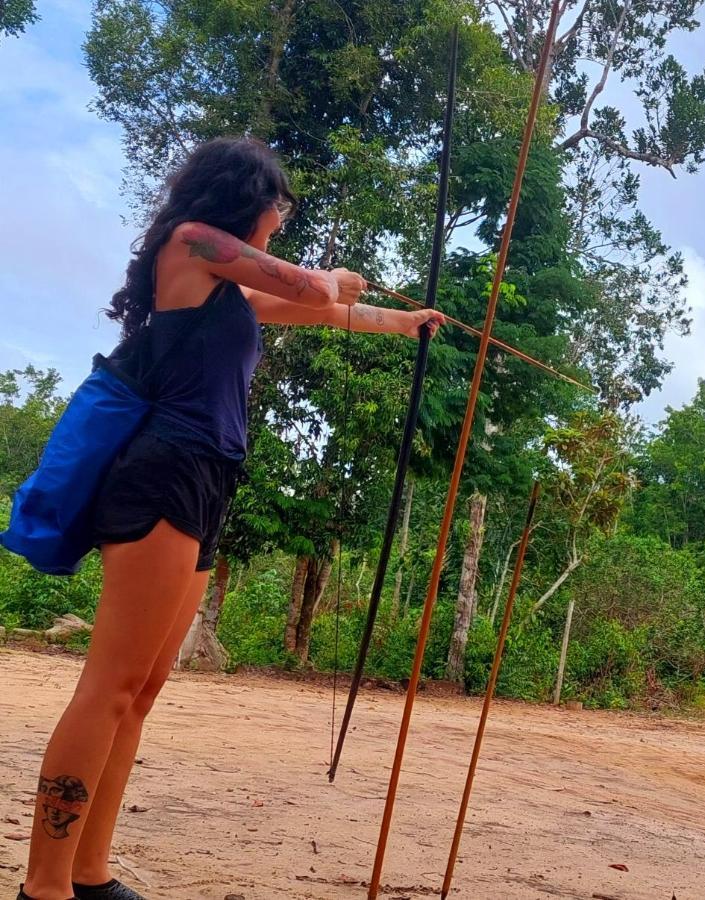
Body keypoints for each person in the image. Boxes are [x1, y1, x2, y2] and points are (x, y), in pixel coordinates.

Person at [19, 137, 444, 900]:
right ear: (244, 199)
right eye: (276, 206)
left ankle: (90, 873)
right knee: (109, 685)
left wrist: (405, 321)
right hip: (163, 474)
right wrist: (331, 280)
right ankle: (43, 887)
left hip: (209, 479)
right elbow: (317, 291)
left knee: (142, 691)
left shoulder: (228, 290)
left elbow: (329, 312)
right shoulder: (192, 245)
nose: (278, 221)